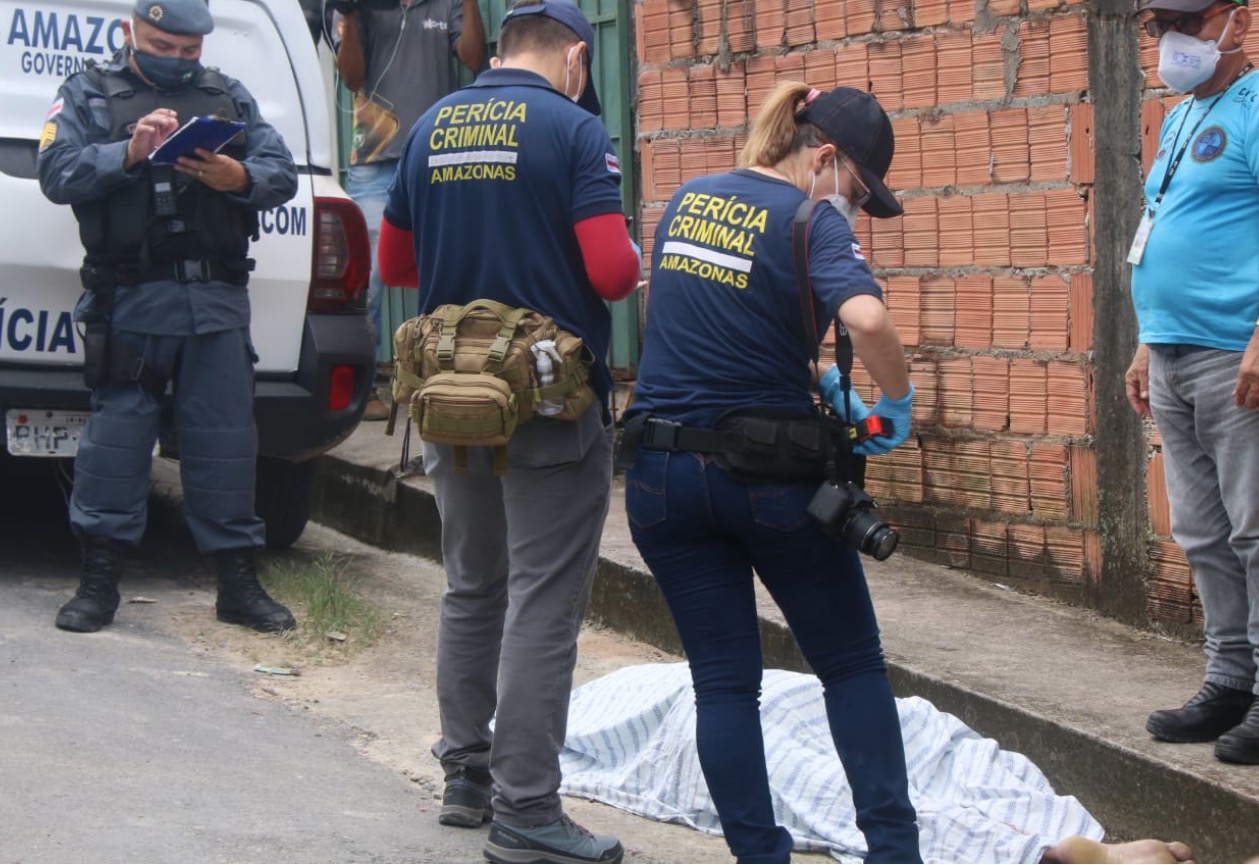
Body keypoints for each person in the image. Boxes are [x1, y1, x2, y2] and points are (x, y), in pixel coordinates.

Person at [618, 82, 919, 864]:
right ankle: (895, 854)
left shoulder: (686, 200)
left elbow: (706, 327)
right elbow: (867, 317)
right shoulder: (810, 216)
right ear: (824, 158)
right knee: (849, 664)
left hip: (659, 479)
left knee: (723, 682)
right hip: (767, 482)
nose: (854, 209)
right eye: (858, 191)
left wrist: (816, 376)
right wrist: (894, 397)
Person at [375, 1, 640, 861]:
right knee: (541, 600)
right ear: (573, 58)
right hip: (549, 405)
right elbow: (610, 273)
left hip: (453, 399)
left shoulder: (429, 127)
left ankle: (467, 773)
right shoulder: (574, 131)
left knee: (471, 583)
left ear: (499, 49)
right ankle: (528, 809)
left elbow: (394, 265)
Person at [37, 0, 299, 635]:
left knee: (225, 444)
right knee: (116, 445)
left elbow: (281, 174)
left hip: (215, 302)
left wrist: (236, 176)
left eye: (189, 50)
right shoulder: (87, 93)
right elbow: (57, 172)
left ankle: (238, 586)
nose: (177, 60)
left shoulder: (226, 96)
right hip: (131, 300)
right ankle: (98, 584)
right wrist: (129, 152)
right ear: (129, 32)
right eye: (162, 46)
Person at [1125, 0, 1259, 766]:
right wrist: (1144, 343)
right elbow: (1159, 226)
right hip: (1170, 354)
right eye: (1158, 27)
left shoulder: (1254, 106)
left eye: (1186, 22)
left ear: (1234, 22)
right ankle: (1228, 679)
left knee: (1254, 530)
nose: (1170, 40)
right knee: (1202, 532)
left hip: (1233, 355)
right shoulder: (1179, 119)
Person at [334, 0, 486, 421]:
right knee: (367, 279)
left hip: (436, 155)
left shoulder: (448, 4)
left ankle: (448, 382)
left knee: (447, 271)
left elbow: (474, 58)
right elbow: (351, 78)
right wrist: (350, 18)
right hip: (375, 160)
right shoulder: (361, 8)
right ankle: (363, 389)